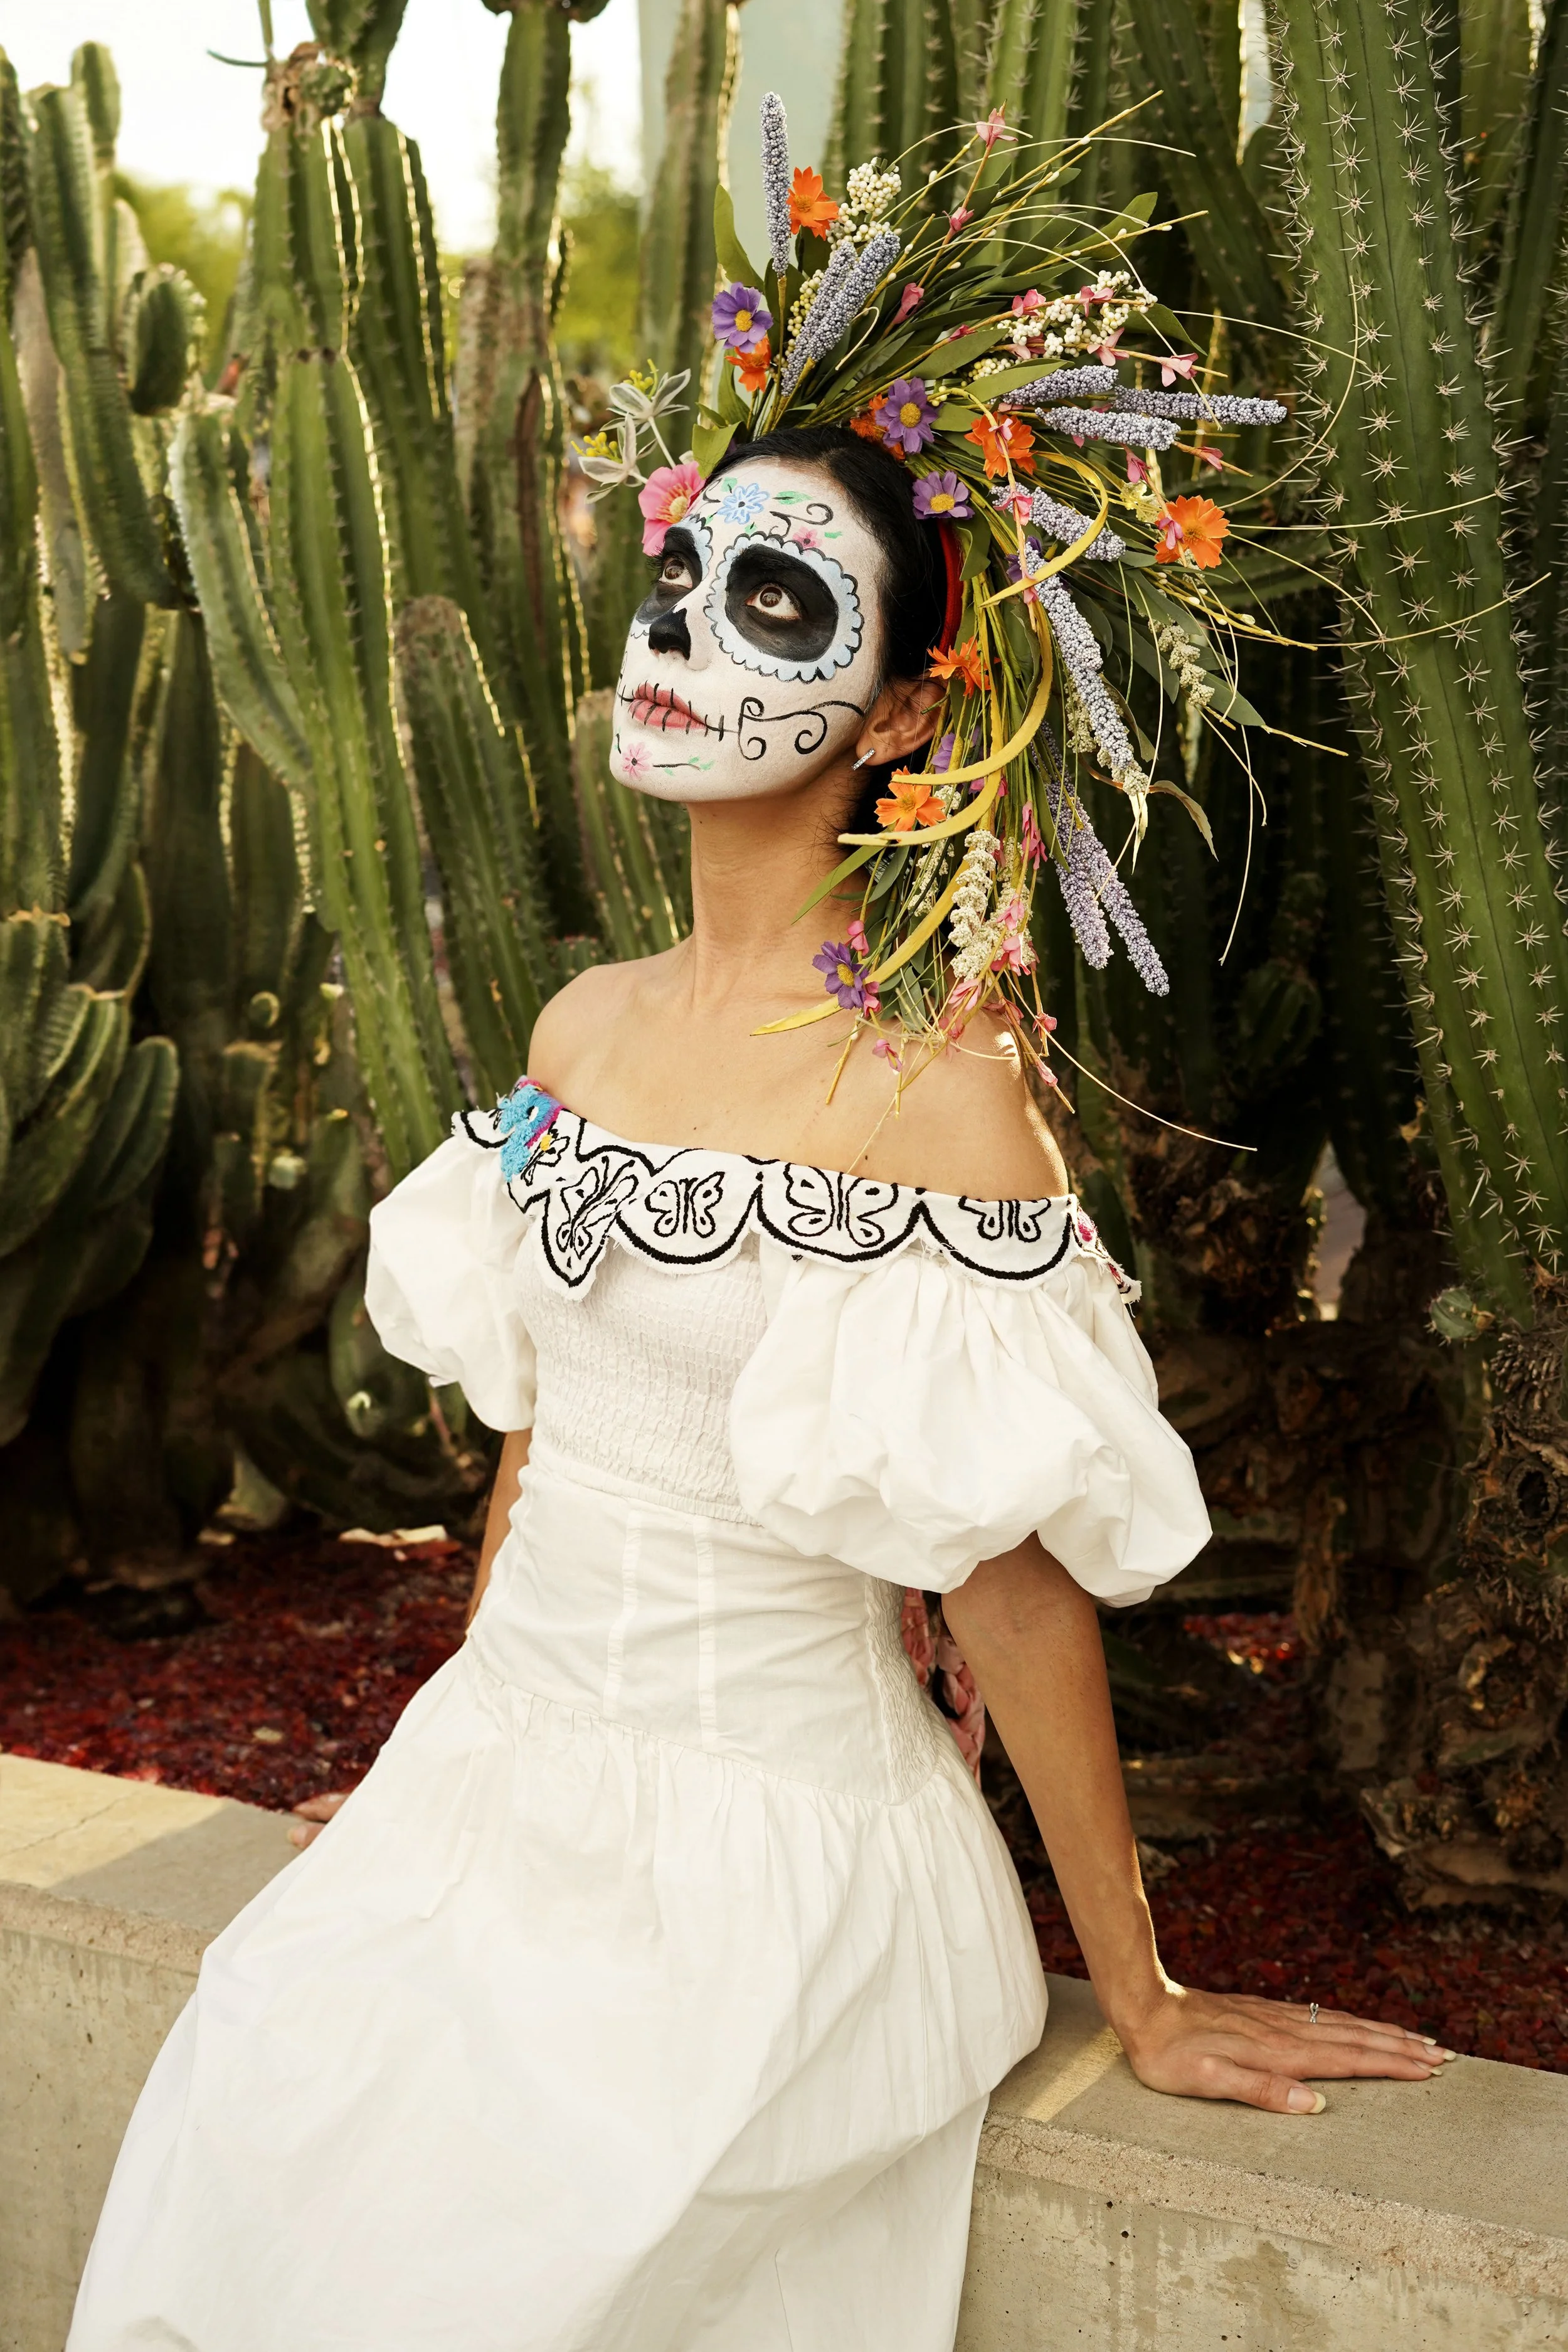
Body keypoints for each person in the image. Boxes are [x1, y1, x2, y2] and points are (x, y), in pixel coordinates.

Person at [68, 103, 1452, 2352]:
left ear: (908, 706)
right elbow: (538, 1435)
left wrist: (1147, 1981)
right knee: (264, 2102)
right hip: (500, 1786)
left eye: (778, 601)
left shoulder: (937, 1088)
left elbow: (998, 1570)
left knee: (486, 2264)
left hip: (771, 1872)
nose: (689, 637)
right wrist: (444, 1782)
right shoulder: (582, 1023)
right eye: (678, 579)